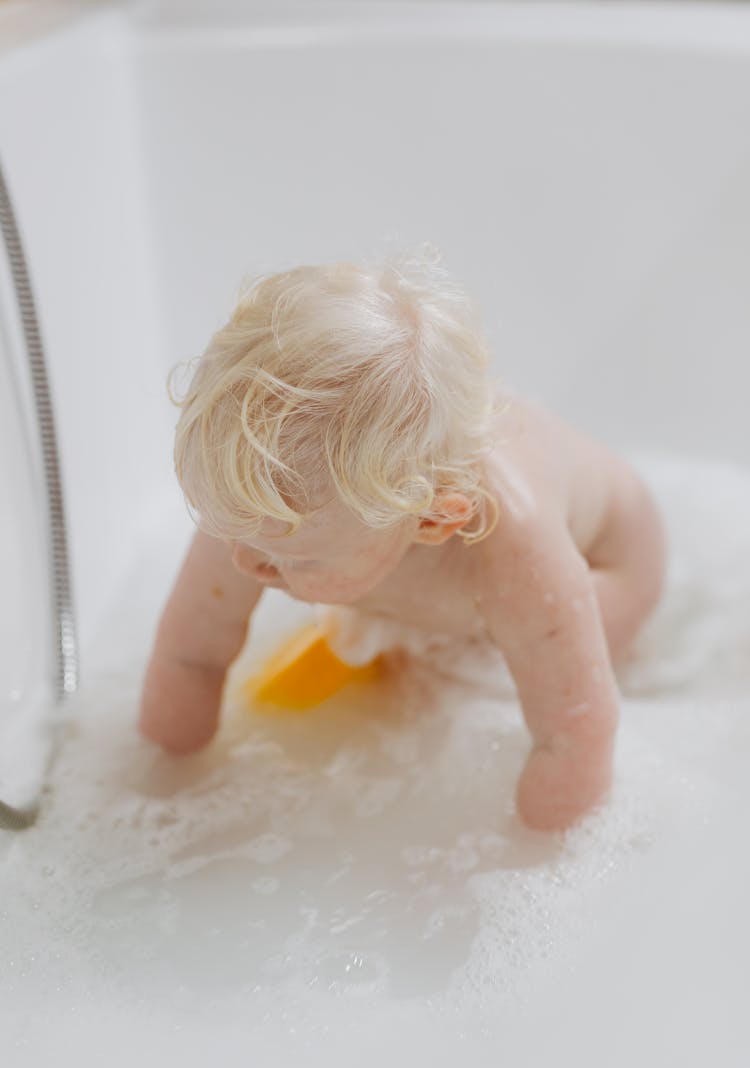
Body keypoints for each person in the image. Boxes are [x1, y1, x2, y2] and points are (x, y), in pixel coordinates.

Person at [138, 250, 665, 831]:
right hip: (391, 552)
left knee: (541, 657)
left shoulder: (516, 549)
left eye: (293, 558)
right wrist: (163, 770)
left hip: (609, 562)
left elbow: (578, 728)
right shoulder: (261, 506)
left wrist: (537, 845)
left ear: (433, 521)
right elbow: (191, 652)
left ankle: (459, 644)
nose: (242, 562)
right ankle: (402, 633)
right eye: (225, 528)